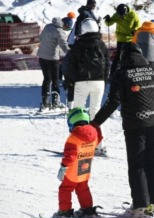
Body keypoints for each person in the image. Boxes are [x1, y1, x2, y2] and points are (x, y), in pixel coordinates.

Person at [91, 42, 154, 217]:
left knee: (137, 165)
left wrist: (95, 123)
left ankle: (141, 206)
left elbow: (113, 102)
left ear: (123, 58)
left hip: (136, 124)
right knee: (151, 161)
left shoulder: (122, 74)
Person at [64, 18, 110, 157]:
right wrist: (105, 79)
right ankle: (99, 146)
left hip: (81, 82)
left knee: (78, 113)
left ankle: (79, 144)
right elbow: (108, 63)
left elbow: (68, 65)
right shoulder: (101, 45)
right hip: (99, 82)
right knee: (95, 114)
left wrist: (70, 82)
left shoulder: (78, 45)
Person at [54, 107, 103, 218]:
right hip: (85, 169)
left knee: (65, 189)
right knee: (83, 188)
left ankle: (64, 212)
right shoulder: (94, 133)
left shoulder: (73, 137)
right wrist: (94, 127)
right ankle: (87, 210)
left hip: (73, 171)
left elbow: (70, 155)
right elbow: (99, 138)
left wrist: (63, 167)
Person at [36, 17, 72, 112]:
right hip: (52, 59)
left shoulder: (48, 26)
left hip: (42, 57)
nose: (67, 30)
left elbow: (40, 38)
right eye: (68, 28)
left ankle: (45, 102)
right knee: (55, 80)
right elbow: (63, 45)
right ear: (65, 25)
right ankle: (56, 102)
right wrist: (71, 52)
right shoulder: (60, 31)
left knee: (47, 79)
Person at [104, 3, 141, 78]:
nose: (120, 16)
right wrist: (107, 20)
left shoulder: (133, 14)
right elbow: (109, 24)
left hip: (130, 38)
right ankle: (112, 74)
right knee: (118, 57)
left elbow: (138, 23)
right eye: (119, 14)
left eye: (122, 15)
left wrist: (135, 30)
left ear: (126, 11)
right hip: (120, 38)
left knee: (130, 56)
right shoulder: (117, 14)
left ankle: (130, 74)